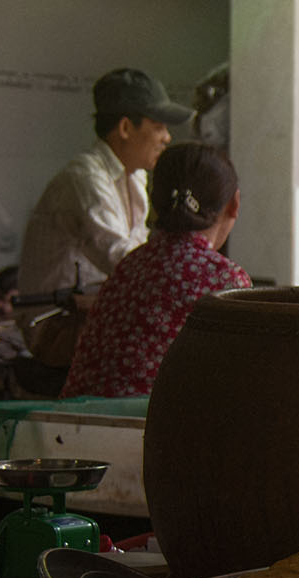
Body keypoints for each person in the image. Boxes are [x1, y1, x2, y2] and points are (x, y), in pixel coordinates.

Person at [17, 67, 190, 367]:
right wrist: (191, 273)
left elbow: (138, 257)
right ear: (125, 128)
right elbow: (123, 260)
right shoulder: (85, 178)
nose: (167, 137)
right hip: (55, 325)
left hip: (93, 314)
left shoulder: (134, 177)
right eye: (158, 126)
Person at [62, 144, 252, 398]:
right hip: (152, 420)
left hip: (78, 417)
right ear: (234, 204)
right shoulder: (225, 280)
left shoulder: (128, 266)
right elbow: (244, 376)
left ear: (154, 201)